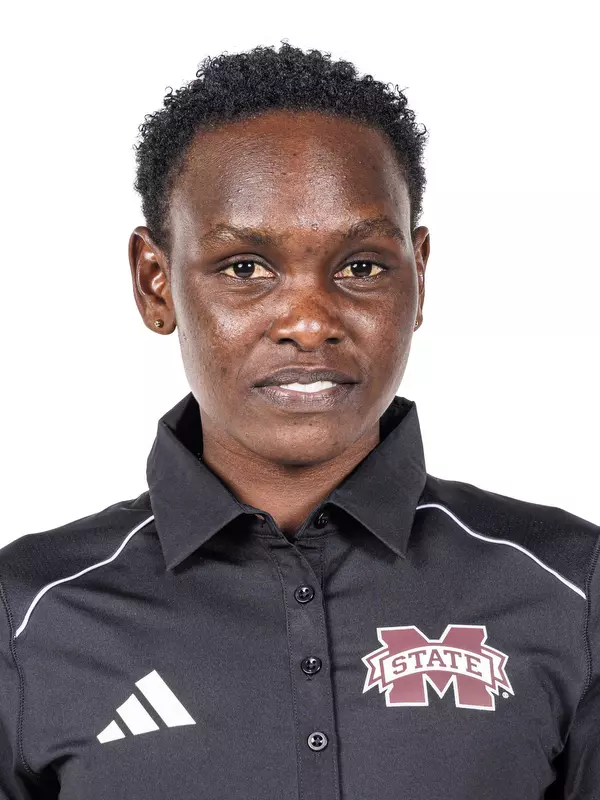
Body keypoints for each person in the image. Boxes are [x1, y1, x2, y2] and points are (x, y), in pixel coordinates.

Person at [0, 42, 598, 800]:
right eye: (247, 267)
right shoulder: (27, 618)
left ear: (419, 278)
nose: (310, 323)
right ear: (156, 284)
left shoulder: (573, 590)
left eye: (362, 266)